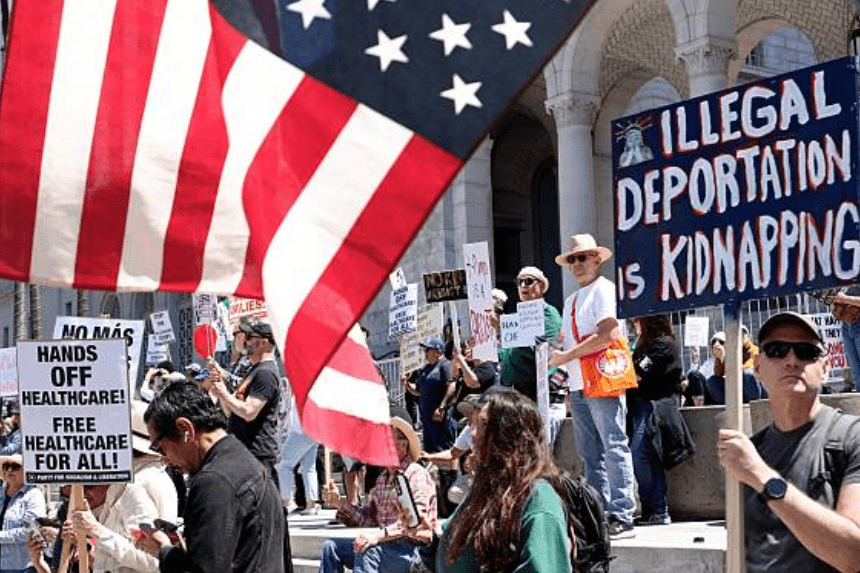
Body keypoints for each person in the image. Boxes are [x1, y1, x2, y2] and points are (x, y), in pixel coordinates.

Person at [718, 312, 860, 573]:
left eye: (806, 351)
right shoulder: (748, 452)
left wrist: (762, 477)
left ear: (825, 368)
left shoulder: (852, 438)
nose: (791, 360)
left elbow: (853, 555)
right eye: (777, 350)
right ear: (757, 367)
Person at [137, 382, 287, 573]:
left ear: (185, 429)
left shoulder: (215, 481)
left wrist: (164, 550)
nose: (164, 460)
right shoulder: (244, 461)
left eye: (160, 448)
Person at [549, 233, 637, 538]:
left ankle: (623, 511)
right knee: (590, 451)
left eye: (583, 257)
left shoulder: (605, 290)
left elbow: (607, 335)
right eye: (573, 259)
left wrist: (565, 356)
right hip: (578, 381)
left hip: (602, 375)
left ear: (597, 259)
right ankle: (598, 510)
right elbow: (563, 340)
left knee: (613, 444)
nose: (577, 263)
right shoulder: (571, 299)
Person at [436, 390, 571, 572]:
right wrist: (425, 538)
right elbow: (450, 549)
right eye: (471, 424)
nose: (472, 435)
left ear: (512, 436)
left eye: (483, 425)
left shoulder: (539, 501)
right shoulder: (483, 490)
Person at [319, 416, 437, 573]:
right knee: (331, 547)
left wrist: (378, 537)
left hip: (412, 549)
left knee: (367, 550)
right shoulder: (382, 478)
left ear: (403, 444)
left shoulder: (415, 474)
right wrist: (338, 503)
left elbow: (416, 522)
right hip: (386, 544)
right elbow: (368, 519)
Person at [629, 314, 692, 525]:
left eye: (637, 320)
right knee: (647, 457)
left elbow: (637, 372)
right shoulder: (645, 345)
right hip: (641, 408)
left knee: (640, 454)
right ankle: (653, 510)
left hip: (654, 408)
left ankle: (657, 509)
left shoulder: (662, 344)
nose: (634, 324)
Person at [207, 320, 281, 487]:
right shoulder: (253, 371)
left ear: (263, 342)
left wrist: (224, 393)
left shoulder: (265, 373)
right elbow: (230, 412)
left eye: (249, 337)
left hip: (257, 454)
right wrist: (220, 389)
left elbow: (249, 412)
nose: (244, 341)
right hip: (245, 452)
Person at [498, 266, 562, 403]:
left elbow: (547, 348)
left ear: (541, 285)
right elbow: (508, 351)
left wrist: (503, 330)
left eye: (528, 281)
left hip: (534, 389)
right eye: (519, 282)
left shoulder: (549, 313)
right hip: (510, 389)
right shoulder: (516, 317)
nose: (522, 286)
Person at [405, 336, 454, 454]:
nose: (425, 353)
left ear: (438, 351)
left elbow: (452, 386)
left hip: (440, 419)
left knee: (444, 450)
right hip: (427, 421)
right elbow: (419, 391)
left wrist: (442, 407)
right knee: (430, 451)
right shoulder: (425, 369)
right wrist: (407, 385)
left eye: (428, 349)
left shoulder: (445, 365)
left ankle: (449, 473)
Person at [0, 454, 47, 573]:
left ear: (26, 470)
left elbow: (31, 530)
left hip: (22, 567)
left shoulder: (34, 495)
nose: (9, 470)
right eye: (6, 466)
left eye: (15, 467)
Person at [278, 396, 320, 515]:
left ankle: (287, 501)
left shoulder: (301, 393)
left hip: (301, 431)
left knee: (284, 464)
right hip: (312, 432)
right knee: (309, 468)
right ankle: (311, 503)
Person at [703, 327, 766, 404]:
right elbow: (718, 374)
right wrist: (722, 358)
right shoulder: (728, 353)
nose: (739, 337)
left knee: (748, 374)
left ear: (748, 337)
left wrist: (733, 372)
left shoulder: (753, 349)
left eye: (742, 335)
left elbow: (749, 365)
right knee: (712, 380)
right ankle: (725, 406)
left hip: (750, 387)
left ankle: (754, 404)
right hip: (734, 388)